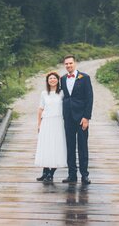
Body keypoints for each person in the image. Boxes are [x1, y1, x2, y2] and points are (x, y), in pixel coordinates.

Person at [60, 54, 93, 184]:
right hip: (68, 117)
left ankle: (84, 175)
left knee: (83, 147)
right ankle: (72, 175)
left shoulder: (84, 78)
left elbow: (89, 98)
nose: (68, 65)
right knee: (70, 146)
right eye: (66, 64)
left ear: (75, 63)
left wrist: (86, 117)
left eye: (70, 63)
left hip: (81, 118)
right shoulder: (62, 79)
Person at [35, 71, 67, 182]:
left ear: (58, 80)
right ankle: (45, 171)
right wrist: (39, 124)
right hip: (46, 122)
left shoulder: (62, 93)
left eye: (54, 78)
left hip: (58, 122)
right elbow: (40, 109)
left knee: (56, 146)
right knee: (46, 146)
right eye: (50, 78)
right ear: (47, 81)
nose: (52, 80)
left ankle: (51, 173)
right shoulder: (44, 93)